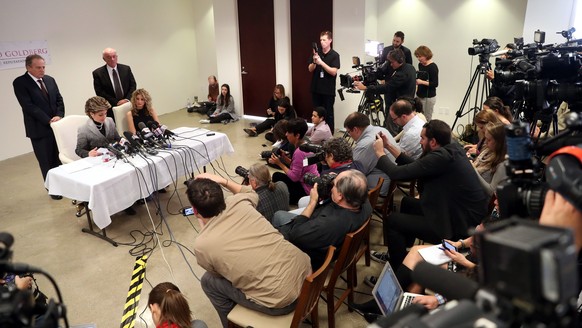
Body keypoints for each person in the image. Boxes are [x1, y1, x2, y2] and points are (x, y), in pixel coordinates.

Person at [188, 177, 311, 328]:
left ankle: (231, 325)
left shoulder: (202, 245)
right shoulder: (239, 202)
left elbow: (218, 273)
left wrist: (206, 230)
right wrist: (222, 180)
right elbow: (250, 192)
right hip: (307, 276)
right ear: (222, 197)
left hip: (283, 301)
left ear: (195, 211)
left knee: (208, 281)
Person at [370, 120, 489, 269]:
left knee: (393, 221)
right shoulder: (451, 149)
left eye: (422, 138)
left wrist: (380, 153)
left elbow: (397, 173)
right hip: (456, 211)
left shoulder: (441, 157)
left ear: (433, 142)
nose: (420, 142)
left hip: (457, 225)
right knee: (407, 202)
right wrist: (388, 146)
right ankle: (401, 254)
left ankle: (397, 270)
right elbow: (415, 167)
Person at [273, 170, 372, 269]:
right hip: (327, 238)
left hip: (304, 252)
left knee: (278, 216)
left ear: (340, 196)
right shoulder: (365, 203)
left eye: (334, 185)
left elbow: (294, 235)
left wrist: (312, 202)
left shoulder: (328, 224)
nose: (331, 185)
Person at [13, 54, 65, 199]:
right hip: (39, 129)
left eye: (43, 67)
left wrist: (59, 115)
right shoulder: (20, 83)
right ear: (28, 67)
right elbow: (28, 106)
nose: (42, 70)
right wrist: (48, 120)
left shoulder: (50, 80)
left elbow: (59, 100)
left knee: (58, 157)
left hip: (56, 126)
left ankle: (64, 185)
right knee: (46, 160)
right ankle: (53, 190)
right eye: (38, 67)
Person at [75, 96, 136, 215]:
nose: (104, 117)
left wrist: (123, 142)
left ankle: (127, 202)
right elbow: (78, 149)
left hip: (112, 157)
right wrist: (88, 153)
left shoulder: (110, 121)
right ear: (91, 114)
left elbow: (117, 138)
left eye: (105, 113)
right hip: (97, 163)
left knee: (126, 173)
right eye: (100, 115)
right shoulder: (84, 129)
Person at [196, 165, 289, 223]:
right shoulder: (282, 185)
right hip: (285, 222)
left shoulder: (251, 202)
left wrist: (244, 188)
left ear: (254, 182)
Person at [354, 49, 416, 136]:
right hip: (406, 104)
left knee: (391, 132)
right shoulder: (410, 67)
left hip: (400, 106)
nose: (390, 64)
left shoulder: (402, 73)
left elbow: (387, 88)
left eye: (392, 62)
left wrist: (366, 88)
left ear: (400, 61)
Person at [343, 112, 397, 196]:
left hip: (376, 192)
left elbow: (354, 173)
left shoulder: (365, 145)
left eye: (349, 132)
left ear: (356, 129)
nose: (349, 135)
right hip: (389, 182)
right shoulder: (381, 130)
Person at [269, 118, 319, 205]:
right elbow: (299, 166)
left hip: (306, 190)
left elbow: (295, 177)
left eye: (289, 132)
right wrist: (285, 159)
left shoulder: (299, 151)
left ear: (297, 135)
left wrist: (279, 163)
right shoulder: (306, 144)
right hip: (311, 184)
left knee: (276, 176)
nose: (286, 134)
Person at [308, 30, 340, 132]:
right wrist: (314, 61)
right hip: (316, 88)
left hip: (328, 90)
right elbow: (310, 69)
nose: (322, 42)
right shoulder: (317, 53)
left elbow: (333, 72)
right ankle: (317, 132)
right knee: (316, 113)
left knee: (328, 114)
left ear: (330, 40)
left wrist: (321, 63)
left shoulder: (334, 55)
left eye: (324, 40)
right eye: (321, 40)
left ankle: (329, 135)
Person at [92, 47, 137, 118]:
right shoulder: (98, 73)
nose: (112, 59)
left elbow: (133, 85)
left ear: (117, 57)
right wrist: (116, 102)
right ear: (104, 59)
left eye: (114, 56)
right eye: (109, 57)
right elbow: (100, 92)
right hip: (111, 108)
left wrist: (126, 99)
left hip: (128, 105)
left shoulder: (126, 69)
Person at [472, 122, 507, 196]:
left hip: (481, 199)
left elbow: (491, 191)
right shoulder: (488, 151)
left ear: (499, 142)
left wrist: (473, 170)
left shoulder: (503, 164)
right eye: (485, 139)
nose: (485, 142)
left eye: (489, 140)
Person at [414, 45, 439, 121]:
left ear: (426, 55)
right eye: (417, 56)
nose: (418, 59)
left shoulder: (433, 67)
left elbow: (435, 83)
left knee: (426, 119)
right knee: (418, 117)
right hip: (420, 95)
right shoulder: (420, 64)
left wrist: (421, 82)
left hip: (428, 97)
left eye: (420, 56)